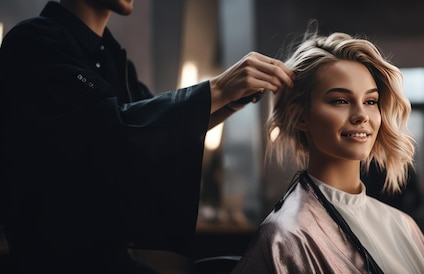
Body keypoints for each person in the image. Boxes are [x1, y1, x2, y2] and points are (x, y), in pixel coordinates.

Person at [0, 0, 293, 273]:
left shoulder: (114, 58)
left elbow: (157, 132)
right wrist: (217, 89)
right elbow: (108, 131)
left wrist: (232, 100)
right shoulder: (33, 43)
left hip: (112, 258)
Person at [232, 29, 424, 273]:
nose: (362, 115)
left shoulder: (403, 226)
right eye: (340, 101)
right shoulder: (285, 236)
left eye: (370, 101)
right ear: (300, 117)